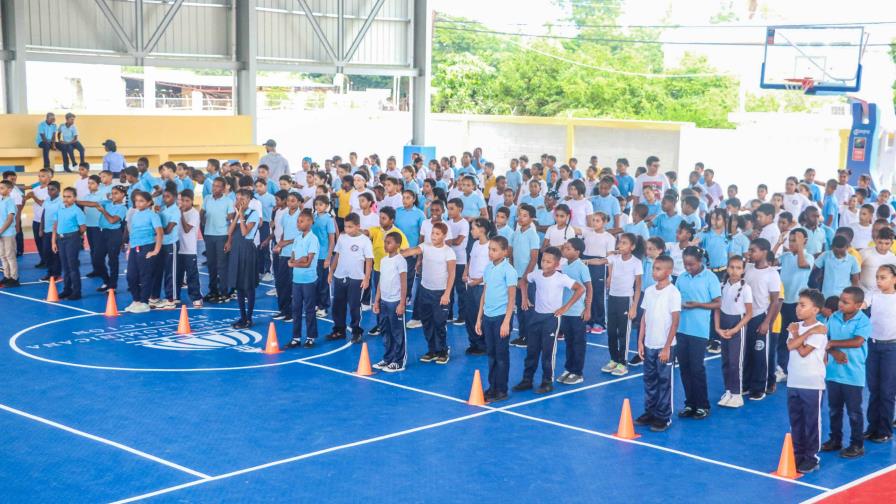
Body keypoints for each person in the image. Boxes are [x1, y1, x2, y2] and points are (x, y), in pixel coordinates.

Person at [514, 246, 585, 394]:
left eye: (548, 262)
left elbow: (580, 289)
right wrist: (525, 297)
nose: (544, 264)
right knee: (531, 350)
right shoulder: (537, 274)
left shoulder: (561, 278)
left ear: (557, 264)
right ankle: (527, 380)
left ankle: (547, 381)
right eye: (543, 260)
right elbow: (522, 281)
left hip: (551, 319)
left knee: (548, 352)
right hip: (536, 317)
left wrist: (565, 307)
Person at [821, 287, 870, 459]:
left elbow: (857, 341)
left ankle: (857, 444)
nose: (840, 304)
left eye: (845, 302)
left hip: (853, 375)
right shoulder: (833, 318)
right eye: (841, 300)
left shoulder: (863, 320)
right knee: (834, 409)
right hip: (833, 372)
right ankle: (835, 439)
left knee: (854, 412)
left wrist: (833, 343)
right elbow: (825, 341)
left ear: (857, 305)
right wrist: (834, 352)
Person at [585, 233, 643, 377]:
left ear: (632, 247)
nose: (620, 246)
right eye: (619, 243)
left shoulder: (636, 263)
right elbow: (599, 261)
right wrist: (583, 261)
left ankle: (623, 363)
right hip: (612, 299)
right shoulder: (614, 258)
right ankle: (613, 359)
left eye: (624, 243)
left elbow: (638, 287)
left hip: (626, 301)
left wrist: (634, 307)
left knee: (624, 333)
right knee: (611, 332)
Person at [635, 255, 681, 431]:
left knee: (664, 381)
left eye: (658, 269)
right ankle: (650, 412)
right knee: (649, 380)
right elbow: (644, 318)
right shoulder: (649, 291)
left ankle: (663, 416)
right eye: (654, 268)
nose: (654, 271)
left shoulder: (673, 293)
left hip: (664, 346)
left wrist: (667, 347)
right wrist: (640, 341)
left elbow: (675, 321)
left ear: (668, 272)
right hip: (649, 344)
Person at [674, 246, 721, 419]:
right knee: (684, 368)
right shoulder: (681, 277)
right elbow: (675, 297)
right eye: (686, 264)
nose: (688, 268)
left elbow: (718, 303)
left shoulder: (710, 278)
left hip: (699, 330)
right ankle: (689, 403)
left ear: (700, 262)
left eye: (691, 264)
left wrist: (698, 305)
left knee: (697, 368)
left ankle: (702, 405)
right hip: (681, 328)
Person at [784, 288, 828, 474]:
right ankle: (798, 453)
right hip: (793, 381)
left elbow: (802, 351)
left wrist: (797, 334)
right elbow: (790, 346)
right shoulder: (798, 327)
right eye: (798, 304)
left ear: (815, 309)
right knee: (796, 420)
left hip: (811, 383)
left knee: (812, 421)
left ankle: (811, 457)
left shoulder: (820, 331)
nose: (798, 308)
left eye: (803, 305)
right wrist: (801, 334)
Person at [401, 222, 456, 364]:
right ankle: (432, 350)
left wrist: (447, 294)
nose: (434, 236)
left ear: (444, 236)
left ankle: (443, 350)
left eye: (437, 234)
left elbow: (452, 274)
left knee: (439, 322)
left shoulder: (448, 252)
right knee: (427, 322)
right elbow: (411, 251)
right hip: (425, 291)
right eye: (432, 233)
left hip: (440, 293)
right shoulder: (425, 246)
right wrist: (397, 252)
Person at [475, 235, 517, 403]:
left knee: (501, 355)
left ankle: (501, 389)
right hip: (488, 316)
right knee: (491, 354)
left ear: (505, 252)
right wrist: (479, 318)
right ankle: (492, 387)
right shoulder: (488, 268)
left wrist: (507, 321)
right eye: (489, 249)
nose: (490, 253)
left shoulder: (509, 271)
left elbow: (512, 299)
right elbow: (484, 293)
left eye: (494, 250)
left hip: (501, 318)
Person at [326, 213, 373, 344]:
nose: (347, 229)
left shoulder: (365, 240)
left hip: (357, 278)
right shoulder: (342, 238)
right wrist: (331, 272)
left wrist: (367, 278)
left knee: (354, 306)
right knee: (337, 305)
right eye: (346, 227)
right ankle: (339, 330)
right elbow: (337, 255)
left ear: (358, 226)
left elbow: (369, 260)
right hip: (340, 276)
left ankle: (356, 331)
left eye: (350, 227)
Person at [744, 238, 782, 400]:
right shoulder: (748, 268)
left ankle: (760, 387)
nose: (750, 253)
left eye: (753, 250)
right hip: (747, 317)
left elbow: (775, 301)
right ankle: (746, 384)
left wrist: (767, 322)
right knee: (747, 353)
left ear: (764, 252)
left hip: (761, 316)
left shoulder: (772, 274)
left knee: (761, 355)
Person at [714, 255, 753, 408]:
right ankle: (729, 390)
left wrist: (736, 329)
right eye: (731, 267)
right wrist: (718, 328)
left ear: (743, 270)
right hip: (724, 324)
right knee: (725, 361)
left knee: (735, 362)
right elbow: (717, 308)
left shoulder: (746, 288)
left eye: (738, 268)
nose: (734, 271)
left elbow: (749, 313)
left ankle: (737, 394)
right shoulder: (722, 285)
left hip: (737, 325)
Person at [863, 264, 896, 443]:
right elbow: (863, 304)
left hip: (892, 348)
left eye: (883, 277)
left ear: (894, 279)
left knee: (887, 390)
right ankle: (872, 426)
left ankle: (884, 430)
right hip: (873, 346)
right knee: (874, 388)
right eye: (877, 277)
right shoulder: (873, 294)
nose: (878, 281)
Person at [557, 238, 592, 385]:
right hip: (565, 312)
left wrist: (588, 308)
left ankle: (578, 372)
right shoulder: (564, 266)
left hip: (578, 312)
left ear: (577, 252)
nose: (564, 250)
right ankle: (569, 368)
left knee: (578, 343)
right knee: (569, 341)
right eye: (564, 247)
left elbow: (589, 288)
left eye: (568, 248)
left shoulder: (581, 267)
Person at [372, 232, 408, 372]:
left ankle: (399, 361)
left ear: (397, 245)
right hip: (384, 302)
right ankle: (388, 358)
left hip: (395, 301)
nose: (386, 245)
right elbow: (381, 281)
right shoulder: (383, 260)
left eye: (389, 242)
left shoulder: (400, 261)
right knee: (386, 331)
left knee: (397, 332)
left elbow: (404, 283)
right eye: (385, 242)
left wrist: (402, 303)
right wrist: (376, 300)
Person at [225, 189, 260, 328]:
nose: (239, 201)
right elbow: (230, 231)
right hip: (237, 250)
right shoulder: (238, 213)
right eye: (237, 198)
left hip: (247, 250)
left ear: (248, 200)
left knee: (248, 285)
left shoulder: (253, 213)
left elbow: (245, 232)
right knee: (239, 285)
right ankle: (242, 317)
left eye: (242, 199)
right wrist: (238, 214)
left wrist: (241, 217)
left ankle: (249, 318)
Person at [285, 210, 320, 349]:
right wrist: (296, 261)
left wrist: (295, 263)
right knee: (296, 309)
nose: (298, 223)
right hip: (297, 280)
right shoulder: (298, 238)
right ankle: (296, 337)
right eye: (297, 221)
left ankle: (311, 337)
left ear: (309, 222)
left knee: (310, 309)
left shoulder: (313, 239)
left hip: (309, 280)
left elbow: (308, 263)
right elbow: (293, 258)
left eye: (301, 221)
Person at [124, 191, 162, 313]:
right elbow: (133, 232)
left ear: (149, 202)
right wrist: (129, 248)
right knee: (131, 276)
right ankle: (136, 301)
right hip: (135, 248)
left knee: (145, 276)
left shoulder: (153, 215)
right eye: (136, 201)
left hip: (147, 247)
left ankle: (144, 302)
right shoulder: (135, 215)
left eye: (141, 201)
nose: (138, 203)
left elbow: (160, 232)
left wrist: (155, 251)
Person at [508, 204, 540, 348]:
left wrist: (525, 278)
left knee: (529, 306)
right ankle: (522, 335)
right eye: (519, 214)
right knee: (520, 307)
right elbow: (511, 255)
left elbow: (534, 258)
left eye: (525, 215)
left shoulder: (533, 234)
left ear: (531, 218)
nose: (520, 218)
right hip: (517, 275)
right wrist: (514, 274)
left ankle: (531, 337)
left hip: (529, 277)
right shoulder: (515, 233)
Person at [201, 178, 235, 303]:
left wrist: (229, 239)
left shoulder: (228, 201)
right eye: (213, 186)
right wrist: (202, 219)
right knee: (211, 265)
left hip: (222, 235)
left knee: (222, 265)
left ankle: (224, 292)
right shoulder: (207, 199)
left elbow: (231, 221)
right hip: (209, 234)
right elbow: (202, 212)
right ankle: (213, 291)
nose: (214, 188)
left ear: (223, 188)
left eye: (218, 186)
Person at [462, 218, 493, 355]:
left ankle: (483, 344)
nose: (471, 231)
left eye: (473, 228)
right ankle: (474, 342)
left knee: (481, 316)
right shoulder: (475, 244)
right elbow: (470, 260)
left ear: (482, 230)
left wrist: (479, 280)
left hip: (482, 286)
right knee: (470, 315)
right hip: (471, 284)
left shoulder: (491, 246)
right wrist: (465, 272)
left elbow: (492, 269)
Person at [581, 212, 615, 334]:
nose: (594, 222)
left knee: (598, 296)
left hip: (600, 267)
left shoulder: (609, 238)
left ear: (605, 222)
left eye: (597, 220)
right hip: (586, 264)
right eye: (593, 220)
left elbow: (610, 259)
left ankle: (600, 322)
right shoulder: (587, 232)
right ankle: (588, 321)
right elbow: (574, 228)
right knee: (586, 294)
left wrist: (610, 276)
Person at [149, 184, 180, 310]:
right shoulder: (161, 208)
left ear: (175, 198)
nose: (165, 198)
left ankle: (170, 299)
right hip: (160, 244)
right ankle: (154, 297)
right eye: (164, 196)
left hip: (170, 244)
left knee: (170, 272)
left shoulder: (175, 211)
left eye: (168, 196)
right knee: (157, 271)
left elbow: (167, 230)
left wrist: (156, 229)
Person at [176, 189, 203, 307]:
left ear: (192, 201)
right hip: (177, 248)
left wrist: (181, 214)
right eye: (182, 200)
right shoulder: (175, 212)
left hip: (189, 249)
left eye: (187, 201)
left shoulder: (194, 213)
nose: (184, 203)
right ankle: (175, 297)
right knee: (177, 275)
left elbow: (187, 229)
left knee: (191, 275)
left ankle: (196, 297)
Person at [311, 195, 336, 317]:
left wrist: (328, 258)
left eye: (321, 204)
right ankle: (316, 304)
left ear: (326, 206)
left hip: (323, 255)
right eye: (316, 204)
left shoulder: (329, 219)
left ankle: (323, 306)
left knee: (324, 283)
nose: (318, 207)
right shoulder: (313, 217)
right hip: (313, 255)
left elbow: (332, 241)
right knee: (314, 281)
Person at [813, 235, 860, 299]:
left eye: (842, 253)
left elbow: (855, 280)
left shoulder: (852, 259)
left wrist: (855, 297)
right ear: (832, 247)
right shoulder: (825, 255)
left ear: (847, 247)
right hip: (826, 295)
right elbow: (813, 268)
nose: (839, 255)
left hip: (844, 296)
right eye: (836, 253)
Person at [39, 181, 62, 282]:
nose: (50, 191)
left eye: (52, 189)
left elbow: (63, 217)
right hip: (47, 231)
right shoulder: (47, 200)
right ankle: (49, 273)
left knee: (55, 254)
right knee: (46, 253)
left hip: (56, 232)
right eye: (48, 189)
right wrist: (41, 228)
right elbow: (44, 214)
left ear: (58, 190)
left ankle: (56, 274)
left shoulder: (61, 201)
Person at [0, 181, 19, 286]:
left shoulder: (10, 202)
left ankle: (14, 278)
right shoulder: (1, 201)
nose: (0, 190)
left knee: (10, 256)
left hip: (8, 233)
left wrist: (1, 230)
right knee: (2, 255)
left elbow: (10, 218)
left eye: (2, 188)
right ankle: (7, 276)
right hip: (1, 234)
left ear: (9, 190)